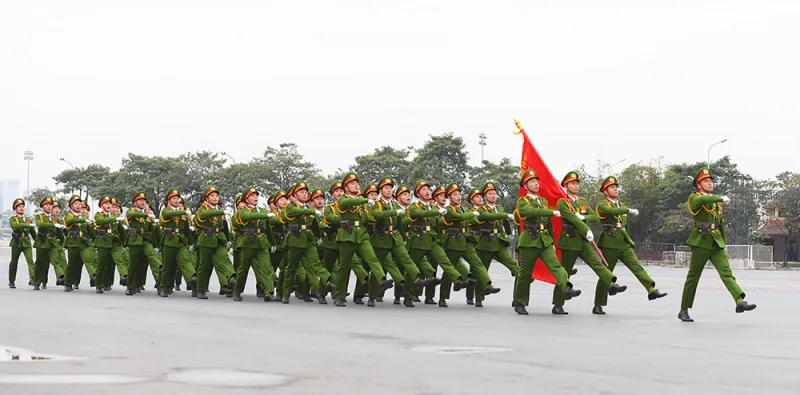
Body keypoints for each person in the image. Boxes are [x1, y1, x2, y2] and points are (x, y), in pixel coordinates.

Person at [678, 168, 756, 322]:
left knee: (726, 273)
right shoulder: (695, 198)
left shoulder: (715, 203)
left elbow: (720, 223)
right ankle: (683, 310)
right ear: (699, 185)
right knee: (693, 277)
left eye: (711, 181)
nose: (710, 183)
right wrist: (719, 198)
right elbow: (700, 202)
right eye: (706, 181)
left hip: (716, 242)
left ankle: (739, 301)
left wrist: (723, 242)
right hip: (701, 241)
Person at [553, 171, 627, 315]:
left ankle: (612, 284)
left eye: (577, 183)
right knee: (565, 273)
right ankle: (558, 304)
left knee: (597, 264)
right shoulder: (563, 202)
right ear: (566, 186)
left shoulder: (583, 202)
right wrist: (585, 227)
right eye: (572, 183)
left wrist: (584, 218)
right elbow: (571, 218)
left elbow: (594, 216)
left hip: (583, 241)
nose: (576, 186)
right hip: (569, 240)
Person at [594, 176, 667, 315]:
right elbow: (610, 212)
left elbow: (624, 226)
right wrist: (626, 210)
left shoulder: (621, 205)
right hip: (610, 243)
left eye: (616, 187)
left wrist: (629, 239)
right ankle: (598, 304)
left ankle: (651, 289)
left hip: (624, 243)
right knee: (606, 273)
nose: (615, 189)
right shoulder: (603, 205)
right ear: (605, 191)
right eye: (612, 187)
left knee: (637, 267)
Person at [513, 170, 581, 315]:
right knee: (525, 274)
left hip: (545, 241)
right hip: (529, 240)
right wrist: (551, 212)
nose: (536, 184)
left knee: (556, 266)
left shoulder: (544, 202)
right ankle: (520, 302)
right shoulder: (523, 201)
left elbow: (548, 223)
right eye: (532, 182)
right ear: (526, 186)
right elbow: (530, 212)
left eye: (537, 181)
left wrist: (552, 241)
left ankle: (566, 288)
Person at [333, 173, 393, 307]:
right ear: (346, 187)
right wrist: (365, 200)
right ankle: (339, 295)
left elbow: (366, 219)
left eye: (357, 183)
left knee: (372, 258)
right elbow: (346, 203)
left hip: (362, 234)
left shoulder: (361, 203)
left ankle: (382, 280)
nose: (356, 185)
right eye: (352, 183)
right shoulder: (343, 199)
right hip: (347, 236)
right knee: (344, 267)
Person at [232, 187, 278, 302]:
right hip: (248, 242)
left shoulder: (262, 210)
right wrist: (266, 216)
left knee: (266, 267)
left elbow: (267, 229)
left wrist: (273, 243)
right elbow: (248, 217)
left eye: (256, 195)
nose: (255, 197)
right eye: (252, 196)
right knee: (243, 269)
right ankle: (237, 291)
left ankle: (269, 292)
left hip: (261, 243)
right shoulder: (243, 211)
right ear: (246, 199)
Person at [157, 189, 197, 297]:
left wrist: (191, 243)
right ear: (168, 201)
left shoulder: (181, 213)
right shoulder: (166, 211)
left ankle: (192, 279)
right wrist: (183, 212)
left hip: (180, 241)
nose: (176, 200)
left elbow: (186, 229)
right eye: (173, 198)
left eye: (177, 198)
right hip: (169, 241)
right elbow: (168, 215)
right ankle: (163, 287)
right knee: (167, 266)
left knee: (185, 260)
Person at [93, 195, 125, 293]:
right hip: (103, 242)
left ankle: (124, 276)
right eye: (106, 203)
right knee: (101, 265)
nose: (109, 205)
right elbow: (100, 221)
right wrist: (115, 218)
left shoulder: (114, 216)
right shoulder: (99, 215)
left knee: (119, 260)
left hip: (115, 242)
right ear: (101, 205)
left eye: (110, 203)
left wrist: (125, 243)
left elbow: (121, 231)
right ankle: (99, 285)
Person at [63, 195, 91, 292]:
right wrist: (83, 219)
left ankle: (76, 281)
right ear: (71, 206)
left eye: (79, 204)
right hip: (73, 243)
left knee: (79, 264)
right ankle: (68, 283)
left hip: (83, 243)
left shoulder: (83, 217)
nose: (78, 206)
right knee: (72, 263)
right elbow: (70, 221)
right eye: (76, 204)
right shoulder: (69, 216)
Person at [8, 198, 35, 289]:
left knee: (30, 261)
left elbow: (33, 232)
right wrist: (28, 225)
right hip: (16, 243)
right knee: (14, 263)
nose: (22, 208)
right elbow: (15, 226)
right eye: (19, 206)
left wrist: (38, 242)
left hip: (26, 242)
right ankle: (11, 281)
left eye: (23, 206)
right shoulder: (13, 219)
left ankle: (32, 278)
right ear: (15, 209)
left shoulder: (28, 219)